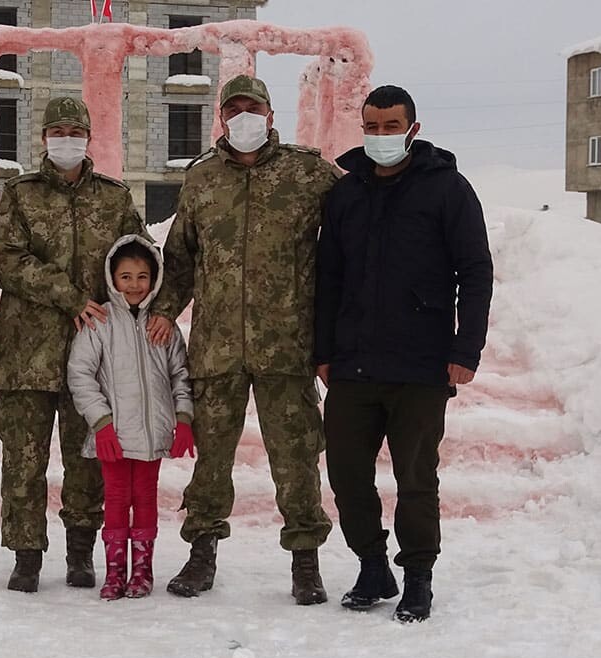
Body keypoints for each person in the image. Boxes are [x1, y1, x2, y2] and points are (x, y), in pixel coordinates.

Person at [147, 75, 337, 605]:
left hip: (288, 346)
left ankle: (305, 560)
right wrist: (165, 310)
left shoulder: (308, 174)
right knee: (211, 460)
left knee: (295, 457)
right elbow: (180, 257)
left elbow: (355, 227)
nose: (243, 116)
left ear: (270, 115)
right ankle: (201, 551)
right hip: (218, 347)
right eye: (233, 108)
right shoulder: (202, 180)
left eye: (252, 107)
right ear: (221, 118)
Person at [315, 84, 494, 622]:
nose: (381, 136)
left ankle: (418, 575)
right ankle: (372, 565)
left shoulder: (447, 190)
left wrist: (467, 348)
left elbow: (476, 271)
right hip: (353, 364)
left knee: (416, 478)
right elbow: (328, 277)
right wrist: (323, 350)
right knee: (346, 474)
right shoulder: (346, 194)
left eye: (392, 126)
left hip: (420, 364)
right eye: (372, 126)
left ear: (412, 130)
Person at [0, 97, 148, 593]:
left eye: (73, 130)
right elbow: (8, 258)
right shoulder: (20, 194)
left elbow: (137, 258)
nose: (65, 139)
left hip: (93, 357)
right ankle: (26, 556)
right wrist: (70, 295)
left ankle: (81, 552)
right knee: (23, 460)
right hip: (26, 354)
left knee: (88, 459)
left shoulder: (114, 198)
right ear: (43, 139)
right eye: (56, 131)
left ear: (88, 137)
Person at [66, 235, 196, 600]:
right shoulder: (100, 323)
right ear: (112, 278)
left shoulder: (163, 328)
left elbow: (180, 375)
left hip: (152, 437)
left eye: (142, 276)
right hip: (115, 436)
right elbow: (80, 374)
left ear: (153, 280)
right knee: (117, 499)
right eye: (126, 276)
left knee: (145, 499)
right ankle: (114, 571)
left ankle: (142, 571)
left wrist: (183, 417)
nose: (134, 285)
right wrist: (101, 421)